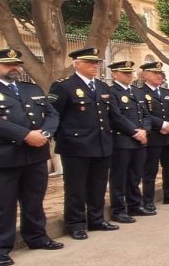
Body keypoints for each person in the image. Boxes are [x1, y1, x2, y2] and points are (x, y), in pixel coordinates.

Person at [0, 48, 62, 266]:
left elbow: (52, 114)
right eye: (8, 64)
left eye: (16, 64)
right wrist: (25, 135)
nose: (14, 68)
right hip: (1, 157)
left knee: (34, 200)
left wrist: (44, 133)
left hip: (34, 155)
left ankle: (36, 237)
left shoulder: (30, 89)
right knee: (1, 203)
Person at [49, 47, 145, 239]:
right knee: (76, 188)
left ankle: (96, 219)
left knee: (98, 185)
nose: (94, 66)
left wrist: (134, 131)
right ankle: (76, 224)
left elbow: (113, 116)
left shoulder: (101, 87)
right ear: (77, 64)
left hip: (101, 143)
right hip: (76, 146)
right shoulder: (63, 86)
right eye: (90, 62)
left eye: (96, 63)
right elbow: (53, 116)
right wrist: (63, 139)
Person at [107, 60, 152, 223]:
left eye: (130, 72)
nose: (129, 75)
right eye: (125, 73)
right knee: (119, 177)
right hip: (122, 140)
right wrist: (134, 132)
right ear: (114, 74)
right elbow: (116, 116)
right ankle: (118, 210)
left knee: (135, 175)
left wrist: (145, 130)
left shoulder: (137, 92)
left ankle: (134, 204)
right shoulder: (111, 92)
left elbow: (146, 114)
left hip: (140, 140)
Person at [138, 61, 169, 208]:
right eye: (155, 73)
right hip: (154, 137)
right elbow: (143, 114)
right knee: (150, 170)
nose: (159, 76)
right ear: (145, 75)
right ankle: (148, 200)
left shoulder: (167, 92)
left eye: (160, 73)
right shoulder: (139, 93)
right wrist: (163, 125)